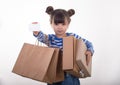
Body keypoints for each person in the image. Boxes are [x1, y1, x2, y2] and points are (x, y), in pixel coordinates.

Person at [32, 6, 94, 85]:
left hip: (70, 74)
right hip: (54, 72)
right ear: (51, 24)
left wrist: (89, 50)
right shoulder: (51, 38)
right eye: (56, 24)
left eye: (63, 24)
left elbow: (88, 43)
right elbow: (42, 37)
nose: (60, 27)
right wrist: (36, 32)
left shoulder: (72, 36)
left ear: (68, 25)